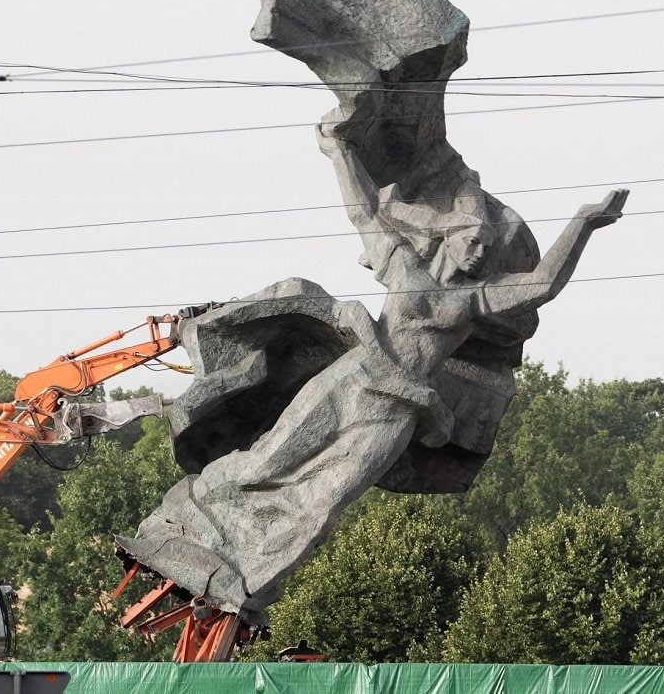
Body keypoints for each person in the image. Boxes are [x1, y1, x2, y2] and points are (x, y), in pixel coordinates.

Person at [118, 111, 628, 625]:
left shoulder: (473, 301)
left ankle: (252, 576)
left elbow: (540, 285)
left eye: (485, 248)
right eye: (471, 242)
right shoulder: (404, 266)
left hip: (394, 413)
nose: (478, 253)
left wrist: (584, 223)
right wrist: (338, 153)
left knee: (329, 498)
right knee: (266, 463)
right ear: (448, 240)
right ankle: (182, 525)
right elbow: (362, 212)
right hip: (349, 384)